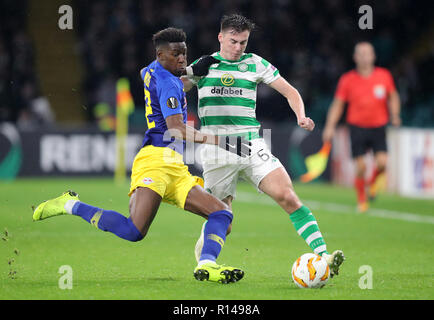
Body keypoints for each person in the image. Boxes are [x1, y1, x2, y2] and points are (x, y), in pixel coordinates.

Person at [32, 27, 252, 284]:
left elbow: (145, 72)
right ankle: (70, 205)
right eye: (176, 54)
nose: (182, 59)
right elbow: (176, 129)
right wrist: (222, 141)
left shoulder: (151, 70)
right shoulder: (170, 83)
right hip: (155, 162)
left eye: (184, 53)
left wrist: (190, 70)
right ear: (160, 55)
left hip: (175, 167)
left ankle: (206, 265)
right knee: (134, 231)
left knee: (222, 214)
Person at [182, 14, 345, 277]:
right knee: (223, 219)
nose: (238, 48)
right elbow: (171, 90)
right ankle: (205, 261)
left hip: (251, 145)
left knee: (287, 196)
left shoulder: (255, 63)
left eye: (243, 43)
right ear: (220, 37)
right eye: (233, 41)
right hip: (217, 149)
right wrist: (188, 73)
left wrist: (300, 116)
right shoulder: (205, 65)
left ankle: (324, 256)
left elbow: (290, 92)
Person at [322, 41, 401, 212]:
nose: (365, 57)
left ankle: (372, 184)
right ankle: (362, 199)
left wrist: (394, 115)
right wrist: (330, 126)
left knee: (382, 164)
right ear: (355, 57)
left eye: (368, 53)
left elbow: (393, 96)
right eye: (361, 54)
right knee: (361, 167)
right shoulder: (347, 79)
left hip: (378, 126)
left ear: (373, 56)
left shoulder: (384, 76)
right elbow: (338, 105)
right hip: (357, 126)